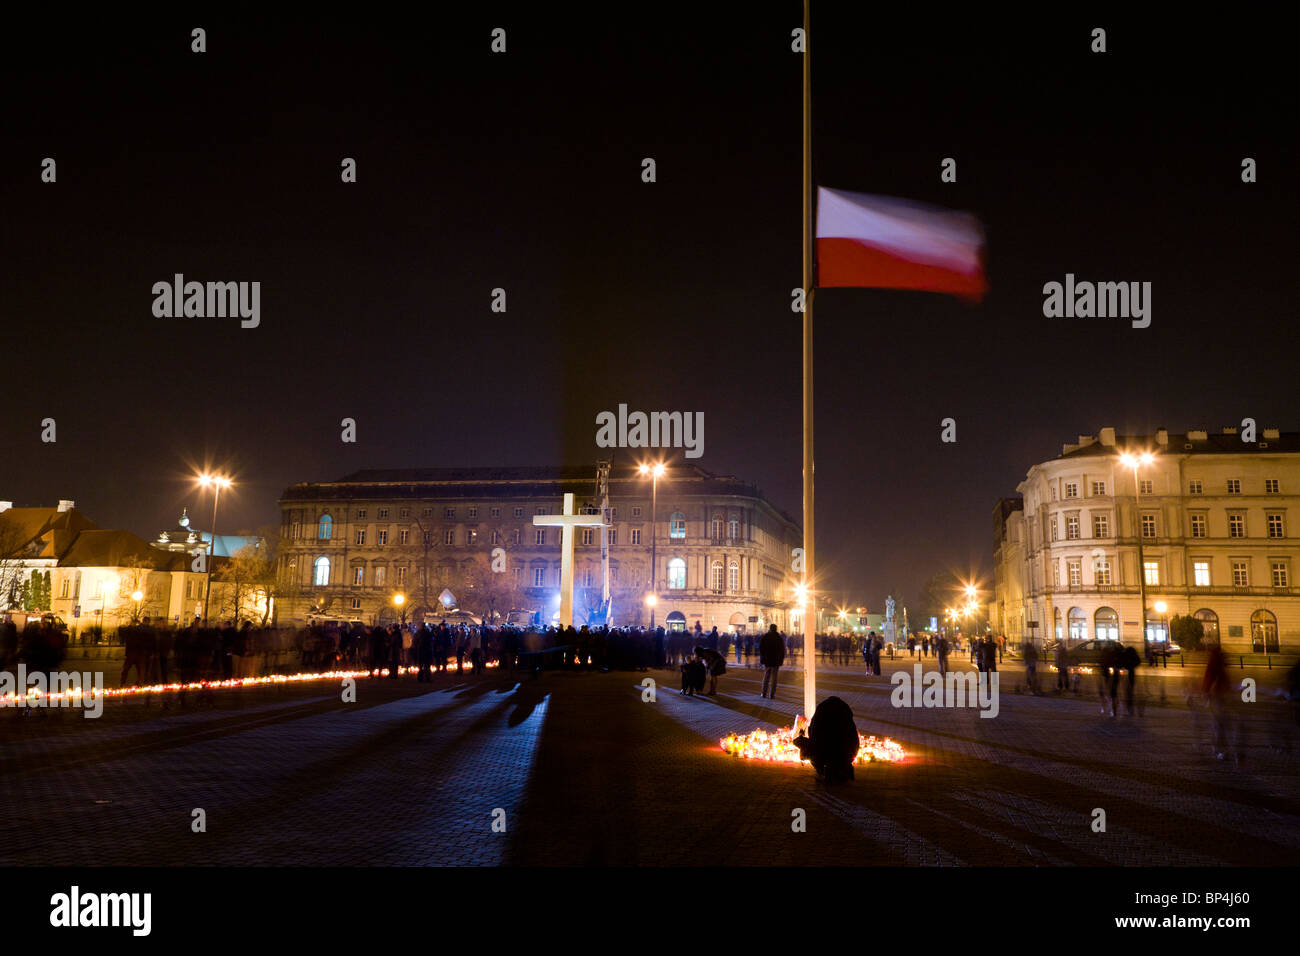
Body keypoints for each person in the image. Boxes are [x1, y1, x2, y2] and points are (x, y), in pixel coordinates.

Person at [793, 696, 860, 784]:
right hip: (845, 754)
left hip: (825, 753)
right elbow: (854, 739)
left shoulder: (820, 717)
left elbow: (812, 734)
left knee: (812, 749)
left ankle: (822, 771)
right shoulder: (846, 718)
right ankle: (842, 769)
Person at [759, 623, 785, 699]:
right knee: (774, 678)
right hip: (776, 661)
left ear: (770, 629)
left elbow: (761, 649)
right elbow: (782, 650)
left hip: (767, 660)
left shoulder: (766, 637)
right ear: (776, 629)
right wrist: (781, 660)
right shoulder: (779, 638)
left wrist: (763, 658)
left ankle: (763, 693)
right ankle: (772, 694)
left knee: (766, 676)